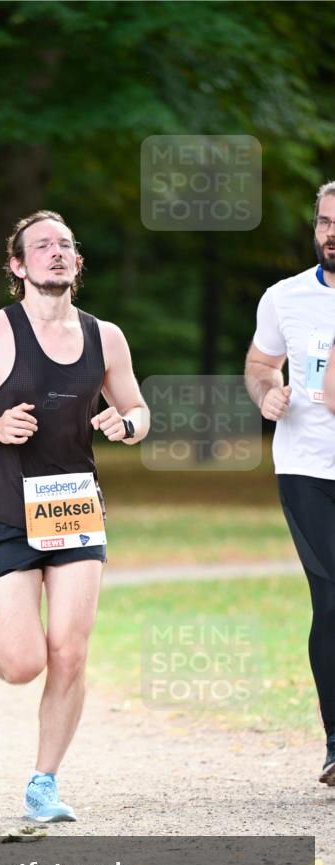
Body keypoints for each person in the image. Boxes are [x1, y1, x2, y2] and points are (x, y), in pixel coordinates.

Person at [0, 210, 150, 821]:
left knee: (70, 652)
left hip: (74, 508)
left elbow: (137, 409)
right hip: (5, 510)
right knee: (25, 663)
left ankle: (43, 783)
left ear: (77, 262)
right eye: (41, 245)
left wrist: (127, 424)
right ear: (18, 265)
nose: (56, 252)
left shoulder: (106, 337)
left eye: (65, 245)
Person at [244, 180, 335, 786]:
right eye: (325, 222)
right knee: (331, 596)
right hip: (307, 469)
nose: (332, 233)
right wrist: (267, 394)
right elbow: (260, 364)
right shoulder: (285, 297)